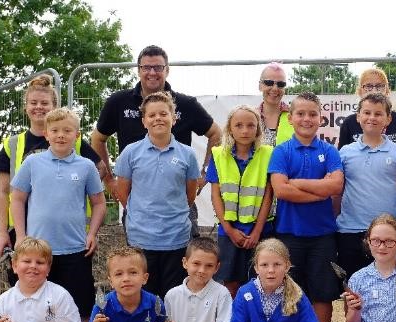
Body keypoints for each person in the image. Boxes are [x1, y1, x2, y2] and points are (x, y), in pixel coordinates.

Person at [91, 45, 221, 232]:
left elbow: (216, 134)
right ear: (138, 71)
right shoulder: (118, 102)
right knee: (140, 260)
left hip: (179, 203)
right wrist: (110, 181)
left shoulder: (186, 104)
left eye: (158, 67)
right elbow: (97, 138)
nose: (152, 72)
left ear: (167, 70)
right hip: (137, 201)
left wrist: (204, 174)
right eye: (146, 67)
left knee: (183, 258)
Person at [10, 107, 106, 322]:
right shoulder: (32, 163)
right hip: (39, 253)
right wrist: (20, 236)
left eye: (67, 130)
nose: (61, 135)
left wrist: (92, 233)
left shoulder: (86, 167)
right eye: (55, 130)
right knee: (38, 305)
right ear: (46, 134)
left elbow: (99, 203)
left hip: (76, 250)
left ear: (77, 135)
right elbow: (18, 198)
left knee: (82, 307)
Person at [0, 75, 103, 285]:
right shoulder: (13, 144)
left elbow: (100, 172)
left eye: (45, 103)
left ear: (54, 106)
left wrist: (70, 189)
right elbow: (4, 192)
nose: (39, 107)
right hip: (26, 234)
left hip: (71, 238)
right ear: (26, 107)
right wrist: (3, 233)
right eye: (33, 103)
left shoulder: (76, 144)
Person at [267, 92, 344, 322]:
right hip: (289, 235)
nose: (306, 119)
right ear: (290, 118)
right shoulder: (281, 152)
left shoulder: (329, 151)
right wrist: (318, 190)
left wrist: (298, 183)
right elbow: (281, 190)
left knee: (323, 293)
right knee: (290, 292)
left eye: (312, 114)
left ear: (321, 118)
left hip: (323, 235)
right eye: (301, 113)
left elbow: (335, 187)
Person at [114, 91, 201, 299]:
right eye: (152, 115)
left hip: (177, 237)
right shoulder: (130, 153)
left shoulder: (187, 154)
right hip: (141, 238)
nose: (158, 119)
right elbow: (123, 192)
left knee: (172, 298)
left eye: (163, 113)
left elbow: (190, 194)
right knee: (144, 298)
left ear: (174, 117)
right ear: (144, 121)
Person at [208, 105, 275, 298]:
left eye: (250, 125)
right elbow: (215, 196)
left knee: (261, 281)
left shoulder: (268, 154)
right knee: (231, 283)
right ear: (230, 129)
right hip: (229, 230)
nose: (245, 130)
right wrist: (229, 230)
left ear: (258, 129)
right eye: (238, 125)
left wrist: (256, 231)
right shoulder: (218, 155)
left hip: (260, 229)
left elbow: (268, 196)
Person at [335, 93, 396, 278]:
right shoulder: (345, 153)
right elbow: (337, 193)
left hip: (388, 234)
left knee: (390, 287)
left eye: (378, 114)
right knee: (353, 292)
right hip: (350, 231)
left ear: (388, 119)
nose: (372, 118)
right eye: (367, 112)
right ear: (358, 116)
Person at [337, 68, 396, 149]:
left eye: (379, 86)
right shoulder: (349, 123)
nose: (374, 90)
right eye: (368, 86)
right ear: (360, 91)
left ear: (387, 91)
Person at [258, 62, 293, 147]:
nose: (275, 88)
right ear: (260, 86)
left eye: (281, 84)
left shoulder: (296, 117)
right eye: (269, 83)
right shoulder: (251, 117)